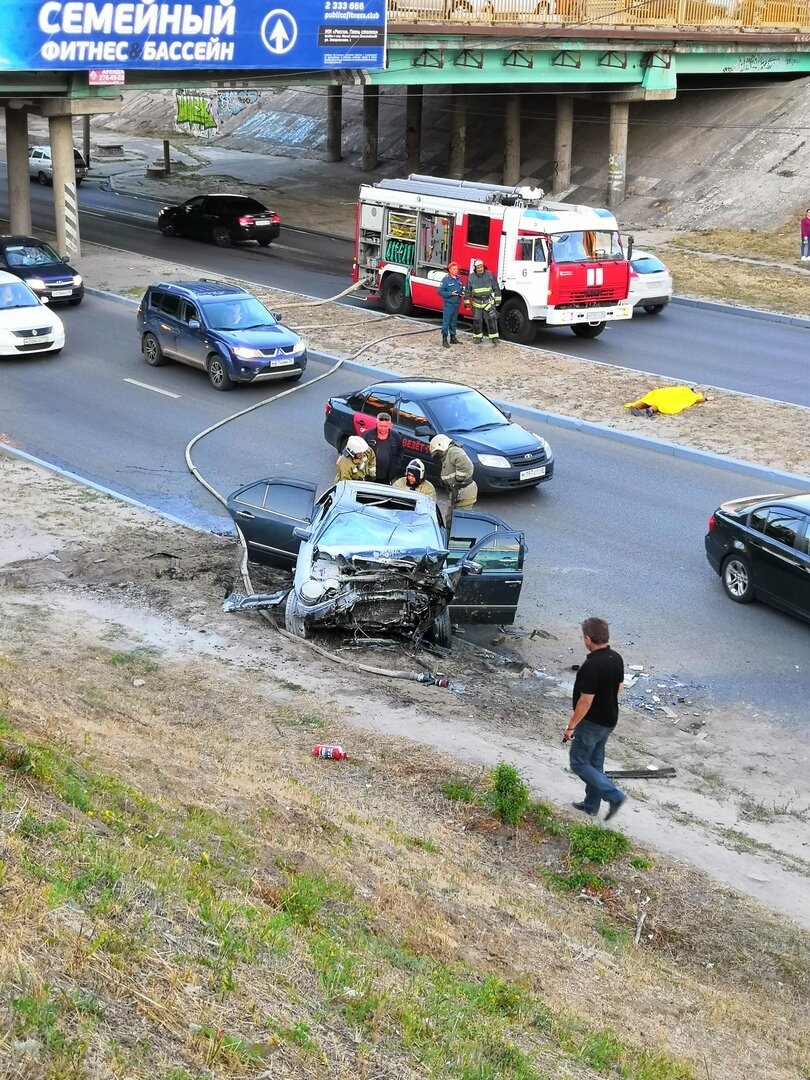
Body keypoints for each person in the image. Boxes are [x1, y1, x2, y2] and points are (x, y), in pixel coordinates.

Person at [563, 617, 626, 821]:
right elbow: (619, 688)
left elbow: (585, 701)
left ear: (588, 639)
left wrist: (571, 726)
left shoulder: (591, 666)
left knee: (579, 763)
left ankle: (614, 795)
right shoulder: (616, 658)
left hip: (591, 723)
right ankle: (590, 806)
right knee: (595, 764)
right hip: (610, 720)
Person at [428, 434, 477, 509]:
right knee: (450, 517)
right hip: (457, 492)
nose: (438, 453)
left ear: (442, 446)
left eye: (438, 451)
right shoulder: (447, 454)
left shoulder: (453, 451)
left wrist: (459, 478)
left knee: (460, 518)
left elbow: (466, 465)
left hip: (464, 493)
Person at [465, 259, 501, 345]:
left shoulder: (490, 275)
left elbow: (496, 288)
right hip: (476, 303)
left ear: (483, 266)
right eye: (478, 267)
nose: (480, 269)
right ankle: (477, 337)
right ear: (475, 268)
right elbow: (467, 291)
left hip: (488, 302)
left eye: (481, 267)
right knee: (477, 321)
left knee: (491, 320)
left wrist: (497, 300)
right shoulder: (471, 277)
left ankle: (494, 337)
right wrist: (467, 304)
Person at [365, 411, 402, 485]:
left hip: (387, 477)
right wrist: (344, 455)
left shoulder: (396, 437)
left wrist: (395, 468)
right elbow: (357, 445)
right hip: (369, 476)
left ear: (390, 425)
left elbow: (400, 453)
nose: (383, 429)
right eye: (381, 426)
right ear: (376, 424)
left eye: (385, 426)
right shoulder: (368, 435)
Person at [437, 260, 464, 348]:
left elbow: (460, 289)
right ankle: (444, 339)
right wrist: (450, 294)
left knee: (453, 322)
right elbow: (440, 291)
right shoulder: (446, 280)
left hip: (456, 304)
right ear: (450, 270)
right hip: (448, 304)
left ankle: (453, 337)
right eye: (454, 269)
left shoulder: (458, 279)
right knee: (446, 322)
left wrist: (461, 293)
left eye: (456, 269)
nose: (456, 271)